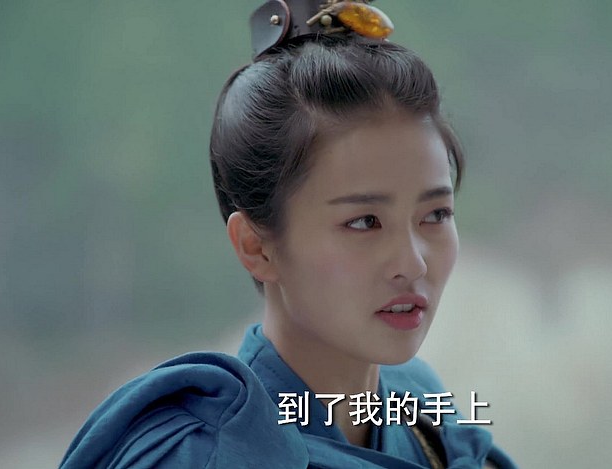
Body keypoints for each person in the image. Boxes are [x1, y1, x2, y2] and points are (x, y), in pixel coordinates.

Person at [60, 1, 517, 467]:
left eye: (436, 214)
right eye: (364, 222)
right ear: (256, 246)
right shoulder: (204, 456)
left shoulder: (425, 417)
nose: (413, 263)